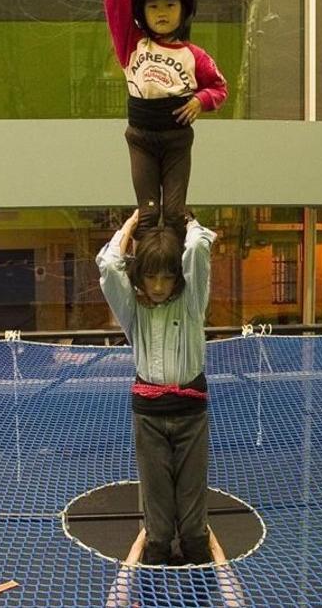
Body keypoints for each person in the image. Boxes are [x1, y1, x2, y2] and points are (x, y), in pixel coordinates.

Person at [97, 208, 217, 565]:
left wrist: (189, 223)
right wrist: (131, 225)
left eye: (168, 276)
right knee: (158, 525)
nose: (160, 285)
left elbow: (197, 250)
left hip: (190, 414)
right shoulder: (134, 309)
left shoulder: (192, 302)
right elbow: (108, 265)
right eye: (151, 276)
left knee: (194, 523)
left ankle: (200, 575)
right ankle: (155, 577)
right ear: (140, 277)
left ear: (178, 276)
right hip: (148, 417)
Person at [103, 0, 228, 238]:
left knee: (173, 214)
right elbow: (115, 7)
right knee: (147, 215)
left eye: (170, 5)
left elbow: (219, 88)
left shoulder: (194, 56)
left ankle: (179, 272)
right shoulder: (131, 44)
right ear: (142, 12)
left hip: (176, 140)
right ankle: (145, 273)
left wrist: (201, 100)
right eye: (153, 6)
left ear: (183, 10)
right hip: (141, 138)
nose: (161, 12)